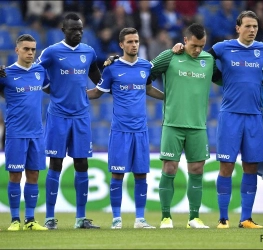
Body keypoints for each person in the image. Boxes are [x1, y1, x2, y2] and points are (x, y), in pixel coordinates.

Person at [87, 27, 164, 229]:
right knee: (117, 174)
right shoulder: (112, 69)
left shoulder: (146, 67)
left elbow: (148, 89)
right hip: (120, 130)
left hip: (141, 130)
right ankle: (116, 219)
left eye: (136, 41)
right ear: (121, 45)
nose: (134, 45)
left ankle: (140, 219)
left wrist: (168, 97)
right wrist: (73, 93)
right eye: (129, 42)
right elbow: (97, 92)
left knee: (141, 174)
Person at [207, 10, 263, 229]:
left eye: (255, 26)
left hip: (255, 117)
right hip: (230, 116)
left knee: (250, 167)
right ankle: (223, 218)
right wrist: (180, 48)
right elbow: (200, 57)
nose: (252, 30)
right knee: (226, 166)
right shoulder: (222, 48)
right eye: (248, 26)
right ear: (238, 28)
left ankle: (246, 218)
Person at [150, 23, 219, 229]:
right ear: (185, 40)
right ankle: (165, 217)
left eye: (202, 46)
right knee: (169, 167)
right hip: (173, 124)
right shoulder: (169, 57)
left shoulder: (209, 60)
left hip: (198, 125)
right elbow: (143, 76)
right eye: (194, 46)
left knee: (197, 169)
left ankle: (194, 218)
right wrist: (165, 97)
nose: (198, 50)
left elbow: (225, 80)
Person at [36, 13, 101, 229]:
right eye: (74, 29)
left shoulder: (89, 52)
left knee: (82, 163)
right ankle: (50, 217)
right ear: (64, 30)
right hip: (58, 116)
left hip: (81, 116)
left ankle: (81, 218)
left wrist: (114, 73)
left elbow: (99, 79)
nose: (78, 33)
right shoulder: (52, 52)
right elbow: (36, 72)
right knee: (56, 163)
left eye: (81, 29)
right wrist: (48, 88)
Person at [0, 34, 49, 231]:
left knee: (33, 175)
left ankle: (30, 219)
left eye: (33, 49)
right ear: (17, 50)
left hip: (36, 133)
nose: (30, 52)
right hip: (15, 133)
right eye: (26, 49)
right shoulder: (6, 74)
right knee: (15, 176)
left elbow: (52, 89)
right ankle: (14, 220)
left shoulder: (40, 71)